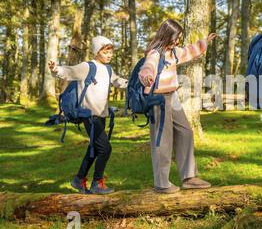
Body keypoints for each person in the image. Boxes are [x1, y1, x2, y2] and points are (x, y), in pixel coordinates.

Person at [139, 19, 217, 194]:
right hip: (158, 99)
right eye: (176, 37)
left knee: (186, 132)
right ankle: (161, 182)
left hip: (172, 96)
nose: (178, 41)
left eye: (179, 37)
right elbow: (147, 67)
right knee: (163, 140)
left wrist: (204, 42)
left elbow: (189, 51)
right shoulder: (155, 53)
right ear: (167, 35)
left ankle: (189, 177)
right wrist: (146, 76)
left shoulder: (173, 52)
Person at [48, 36, 128, 194]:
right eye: (106, 52)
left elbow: (119, 81)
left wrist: (137, 82)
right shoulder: (87, 67)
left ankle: (78, 180)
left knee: (95, 149)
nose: (109, 55)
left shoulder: (108, 69)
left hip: (101, 116)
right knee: (105, 149)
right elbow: (69, 72)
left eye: (111, 52)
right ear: (97, 51)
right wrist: (56, 69)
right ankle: (97, 183)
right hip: (89, 115)